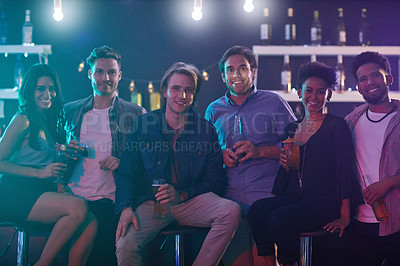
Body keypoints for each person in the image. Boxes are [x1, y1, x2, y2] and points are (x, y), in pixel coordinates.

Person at [114, 62, 241, 266]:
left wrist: (182, 194)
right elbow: (127, 172)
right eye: (176, 89)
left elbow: (215, 181)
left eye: (188, 90)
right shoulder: (144, 124)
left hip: (190, 200)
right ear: (164, 90)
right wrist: (125, 207)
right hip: (153, 203)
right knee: (124, 243)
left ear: (194, 95)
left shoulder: (205, 129)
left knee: (231, 211)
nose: (182, 96)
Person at [247, 61, 362, 266]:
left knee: (279, 219)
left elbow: (344, 170)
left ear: (329, 95)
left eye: (320, 92)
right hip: (295, 198)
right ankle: (270, 263)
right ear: (300, 92)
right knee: (257, 210)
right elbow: (289, 171)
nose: (314, 97)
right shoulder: (292, 128)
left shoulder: (337, 126)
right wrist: (283, 162)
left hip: (325, 202)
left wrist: (345, 216)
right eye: (308, 91)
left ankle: (289, 263)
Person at [204, 45, 296, 264]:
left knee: (265, 261)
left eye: (243, 68)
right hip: (228, 200)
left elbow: (296, 149)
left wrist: (259, 151)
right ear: (223, 76)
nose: (236, 74)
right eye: (230, 70)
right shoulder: (213, 110)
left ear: (253, 71)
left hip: (267, 197)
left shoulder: (274, 102)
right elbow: (204, 157)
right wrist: (220, 156)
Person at [0, 64, 97, 266]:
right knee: (78, 207)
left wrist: (66, 154)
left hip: (40, 191)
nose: (48, 94)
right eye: (40, 88)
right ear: (29, 90)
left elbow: (46, 162)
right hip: (15, 192)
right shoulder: (23, 118)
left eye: (51, 88)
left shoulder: (49, 120)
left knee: (91, 220)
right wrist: (40, 173)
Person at [58, 45, 145, 266]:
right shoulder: (70, 111)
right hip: (72, 199)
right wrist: (64, 152)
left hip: (112, 202)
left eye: (111, 72)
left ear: (120, 76)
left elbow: (148, 162)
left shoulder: (136, 113)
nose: (105, 77)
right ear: (90, 74)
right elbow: (55, 151)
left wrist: (123, 161)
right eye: (99, 71)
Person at [344, 51, 400, 266]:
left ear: (389, 79)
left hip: (397, 222)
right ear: (358, 87)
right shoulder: (350, 122)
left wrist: (389, 182)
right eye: (363, 79)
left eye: (376, 75)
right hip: (361, 223)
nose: (370, 82)